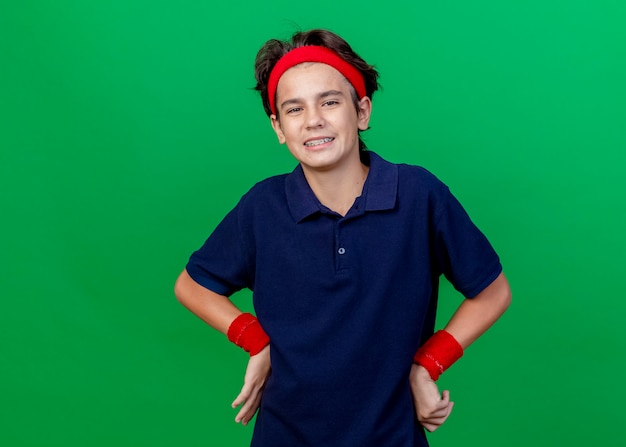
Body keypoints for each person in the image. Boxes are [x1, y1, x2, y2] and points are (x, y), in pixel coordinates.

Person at [175, 28, 511, 447]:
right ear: (278, 128)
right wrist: (256, 341)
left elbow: (493, 292)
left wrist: (428, 365)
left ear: (362, 112)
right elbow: (192, 285)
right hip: (284, 435)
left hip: (393, 437)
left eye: (329, 102)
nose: (313, 120)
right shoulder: (263, 206)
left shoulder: (419, 195)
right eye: (294, 109)